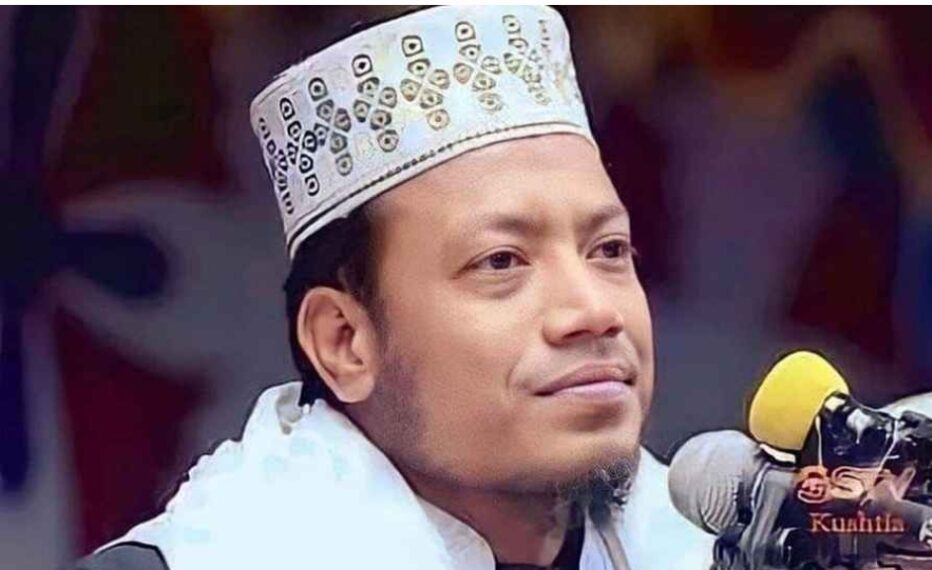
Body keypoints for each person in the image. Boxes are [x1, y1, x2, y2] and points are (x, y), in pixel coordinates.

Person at [72, 6, 716, 569]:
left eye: (609, 250)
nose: (595, 310)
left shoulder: (714, 547)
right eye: (501, 261)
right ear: (345, 342)